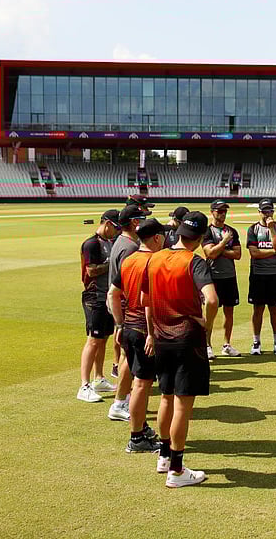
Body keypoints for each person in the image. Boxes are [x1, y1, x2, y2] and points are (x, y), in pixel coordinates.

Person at [145, 211, 219, 487]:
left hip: (162, 336)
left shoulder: (156, 258)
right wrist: (207, 325)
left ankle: (164, 456)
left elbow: (147, 300)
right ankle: (176, 469)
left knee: (165, 397)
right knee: (182, 405)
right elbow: (211, 300)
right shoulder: (195, 261)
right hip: (187, 338)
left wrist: (151, 333)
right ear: (200, 239)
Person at [108, 218, 166, 453]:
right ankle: (137, 437)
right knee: (142, 383)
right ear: (156, 238)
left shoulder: (129, 259)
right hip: (145, 329)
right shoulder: (154, 262)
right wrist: (153, 333)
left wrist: (119, 324)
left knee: (138, 380)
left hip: (129, 327)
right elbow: (149, 302)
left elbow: (113, 294)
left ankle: (140, 427)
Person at [104, 204, 147, 420]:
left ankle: (123, 399)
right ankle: (120, 402)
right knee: (129, 358)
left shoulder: (120, 242)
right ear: (135, 223)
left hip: (121, 306)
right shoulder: (130, 247)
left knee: (126, 356)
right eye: (142, 218)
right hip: (128, 309)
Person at [77, 210, 121, 402]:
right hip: (94, 295)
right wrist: (111, 263)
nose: (117, 231)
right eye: (116, 227)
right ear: (108, 224)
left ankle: (99, 377)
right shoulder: (92, 244)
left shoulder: (111, 242)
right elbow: (91, 271)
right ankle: (84, 385)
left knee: (103, 338)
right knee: (93, 339)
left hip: (107, 296)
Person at [247, 199, 276, 356]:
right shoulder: (253, 229)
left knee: (275, 310)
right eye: (264, 211)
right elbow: (254, 253)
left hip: (275, 274)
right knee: (258, 309)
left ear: (273, 211)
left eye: (269, 211)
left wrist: (272, 229)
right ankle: (256, 342)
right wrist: (275, 252)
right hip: (258, 274)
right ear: (259, 212)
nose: (267, 214)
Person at [202, 200, 243, 357]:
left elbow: (238, 255)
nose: (222, 214)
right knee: (210, 313)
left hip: (229, 276)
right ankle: (207, 344)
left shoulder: (232, 231)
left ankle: (227, 345)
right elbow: (209, 253)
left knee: (229, 312)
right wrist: (225, 243)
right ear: (212, 212)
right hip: (213, 277)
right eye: (219, 211)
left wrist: (218, 249)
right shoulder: (207, 232)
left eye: (224, 211)